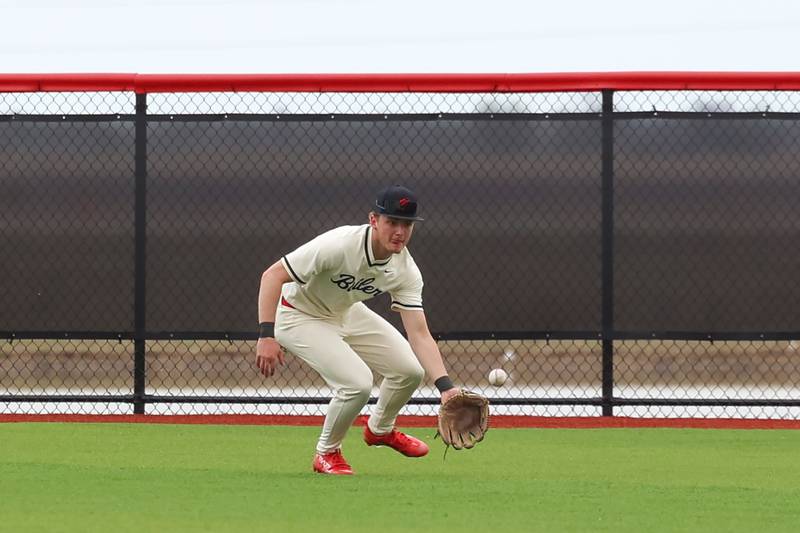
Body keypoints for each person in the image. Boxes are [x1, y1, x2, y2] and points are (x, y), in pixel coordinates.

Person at [255, 185, 460, 475]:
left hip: (345, 311)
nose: (400, 231)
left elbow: (419, 333)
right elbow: (272, 275)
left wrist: (446, 388)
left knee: (409, 371)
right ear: (374, 220)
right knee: (357, 384)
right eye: (392, 222)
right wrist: (267, 334)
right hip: (297, 314)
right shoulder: (339, 244)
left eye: (407, 224)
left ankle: (380, 429)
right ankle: (326, 453)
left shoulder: (405, 270)